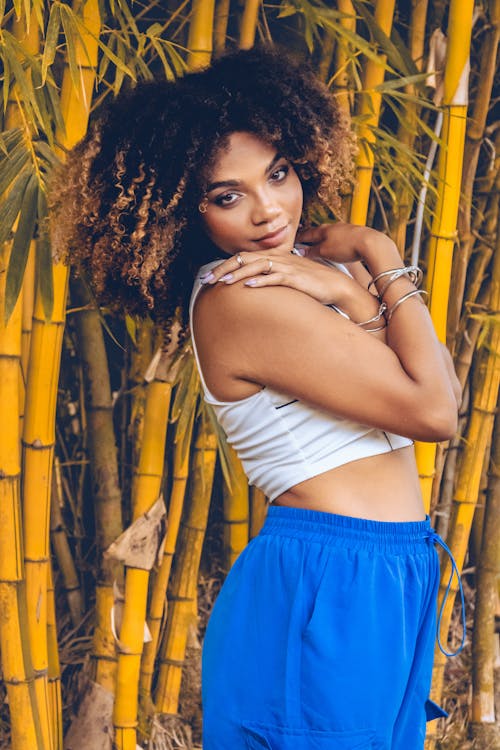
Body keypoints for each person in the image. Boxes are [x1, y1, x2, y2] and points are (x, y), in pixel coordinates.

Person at [50, 45, 465, 750]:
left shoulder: (299, 275)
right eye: (226, 194)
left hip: (388, 568)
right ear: (185, 213)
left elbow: (427, 380)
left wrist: (342, 284)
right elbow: (434, 411)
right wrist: (380, 254)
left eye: (277, 173)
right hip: (326, 582)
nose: (268, 209)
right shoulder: (239, 296)